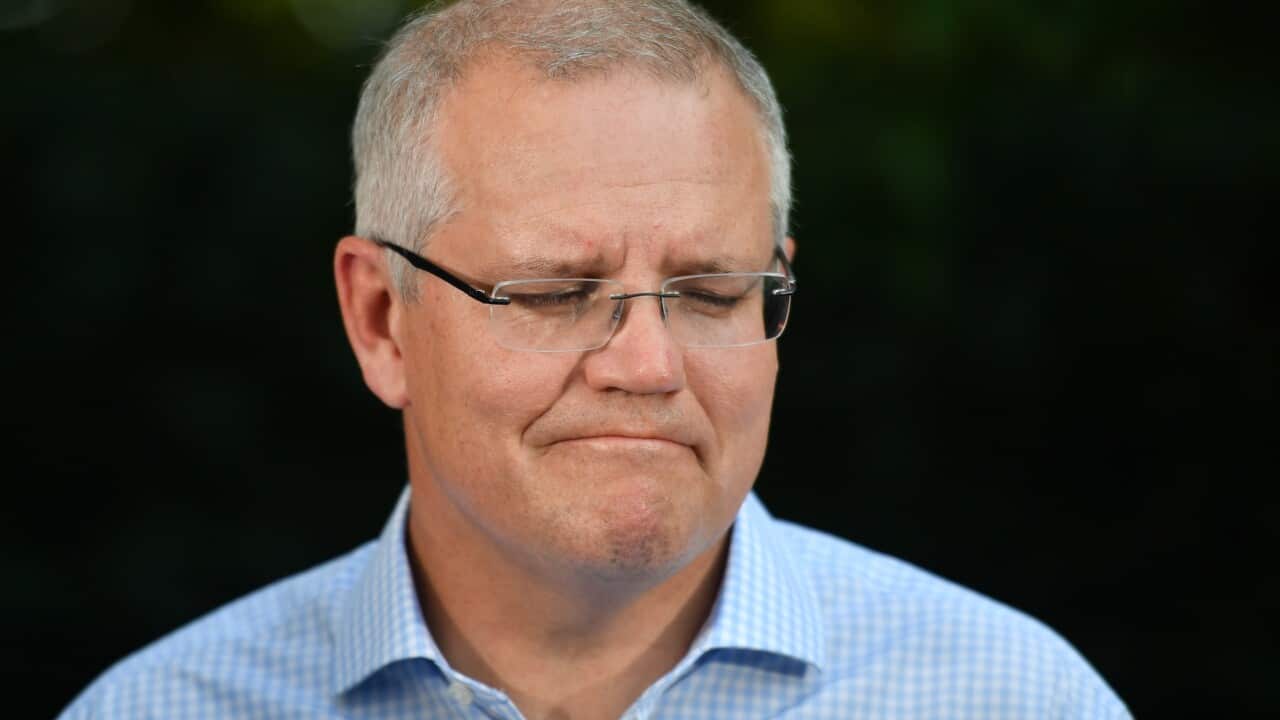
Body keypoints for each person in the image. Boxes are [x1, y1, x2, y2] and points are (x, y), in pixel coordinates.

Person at [59, 1, 1130, 718]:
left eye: (712, 291)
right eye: (552, 293)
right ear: (382, 319)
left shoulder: (1009, 696)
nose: (647, 363)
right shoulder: (166, 706)